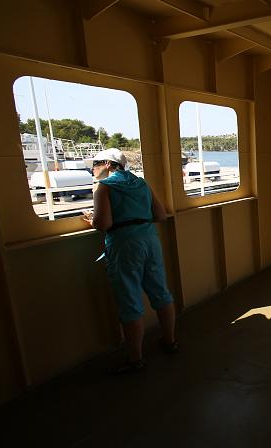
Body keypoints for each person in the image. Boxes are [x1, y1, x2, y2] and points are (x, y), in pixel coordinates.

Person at [82, 148, 178, 374]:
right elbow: (161, 216)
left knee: (130, 300)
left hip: (124, 245)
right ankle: (170, 341)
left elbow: (103, 224)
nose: (92, 168)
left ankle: (135, 359)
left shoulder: (104, 187)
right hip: (150, 241)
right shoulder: (142, 183)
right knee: (161, 293)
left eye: (95, 163)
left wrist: (91, 220)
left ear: (108, 164)